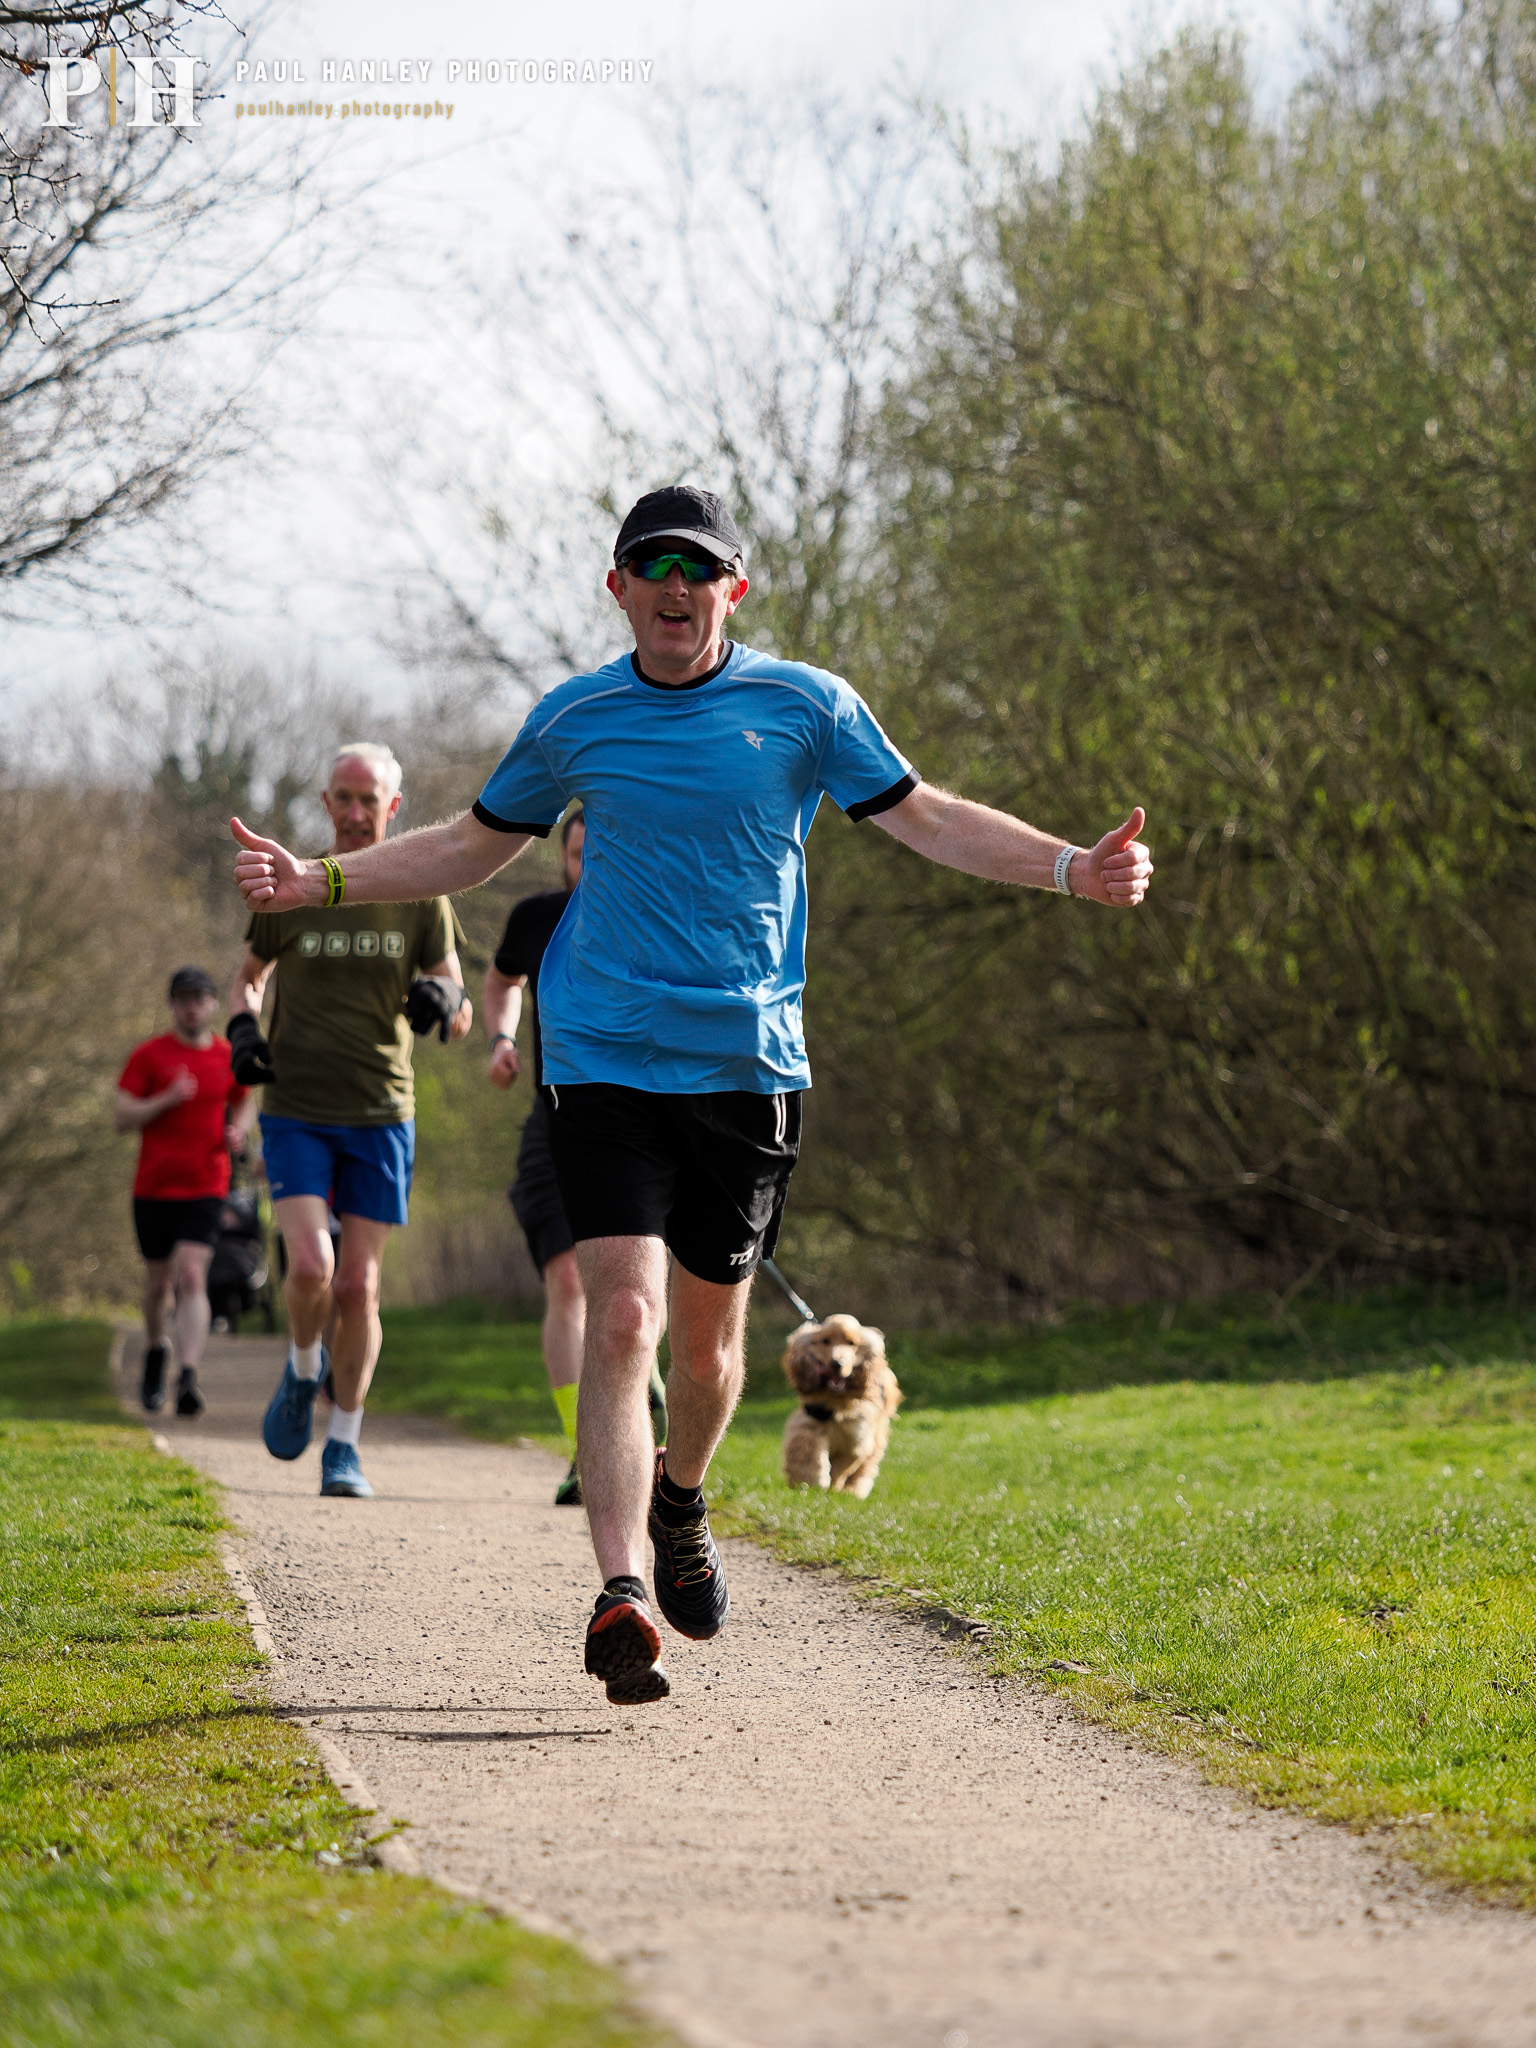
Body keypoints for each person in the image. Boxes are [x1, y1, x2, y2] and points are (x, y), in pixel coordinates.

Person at [230, 484, 1154, 1703]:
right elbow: (466, 844)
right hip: (605, 1055)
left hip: (750, 1067)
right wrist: (323, 883)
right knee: (625, 1317)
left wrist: (1068, 867)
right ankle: (618, 1588)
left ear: (735, 587)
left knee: (713, 1351)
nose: (675, 585)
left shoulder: (805, 706)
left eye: (698, 567)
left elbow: (924, 818)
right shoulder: (575, 721)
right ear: (617, 588)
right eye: (650, 565)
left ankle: (680, 1499)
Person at [226, 742, 474, 1500]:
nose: (357, 812)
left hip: (381, 1112)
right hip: (297, 1107)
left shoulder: (422, 894)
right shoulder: (292, 886)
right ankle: (304, 1371)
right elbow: (247, 982)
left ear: (394, 806)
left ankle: (344, 1445)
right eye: (344, 797)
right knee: (311, 1268)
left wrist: (446, 1005)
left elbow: (457, 1000)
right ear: (326, 802)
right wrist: (243, 1029)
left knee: (360, 1289)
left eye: (371, 800)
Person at [483, 807, 665, 1506]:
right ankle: (583, 1452)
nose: (590, 869)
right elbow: (502, 982)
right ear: (564, 857)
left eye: (603, 855)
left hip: (649, 1126)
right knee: (567, 1284)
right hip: (556, 1119)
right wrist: (502, 1040)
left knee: (632, 1297)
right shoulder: (536, 919)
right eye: (580, 855)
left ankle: (641, 1414)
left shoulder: (657, 919)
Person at [116, 965, 256, 1416]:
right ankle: (157, 1351)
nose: (192, 1006)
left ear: (213, 1004)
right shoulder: (150, 1056)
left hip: (207, 1185)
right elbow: (121, 1117)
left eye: (200, 998)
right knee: (159, 1284)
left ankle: (189, 1375)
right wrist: (167, 1098)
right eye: (184, 998)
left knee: (192, 1275)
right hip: (154, 1187)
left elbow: (245, 1101)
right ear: (173, 1005)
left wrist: (239, 1132)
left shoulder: (227, 1055)